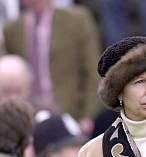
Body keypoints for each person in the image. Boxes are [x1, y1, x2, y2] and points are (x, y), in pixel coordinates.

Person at [3, 0, 101, 134]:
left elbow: (92, 71)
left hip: (69, 115)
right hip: (28, 116)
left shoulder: (77, 20)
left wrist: (88, 115)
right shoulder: (12, 29)